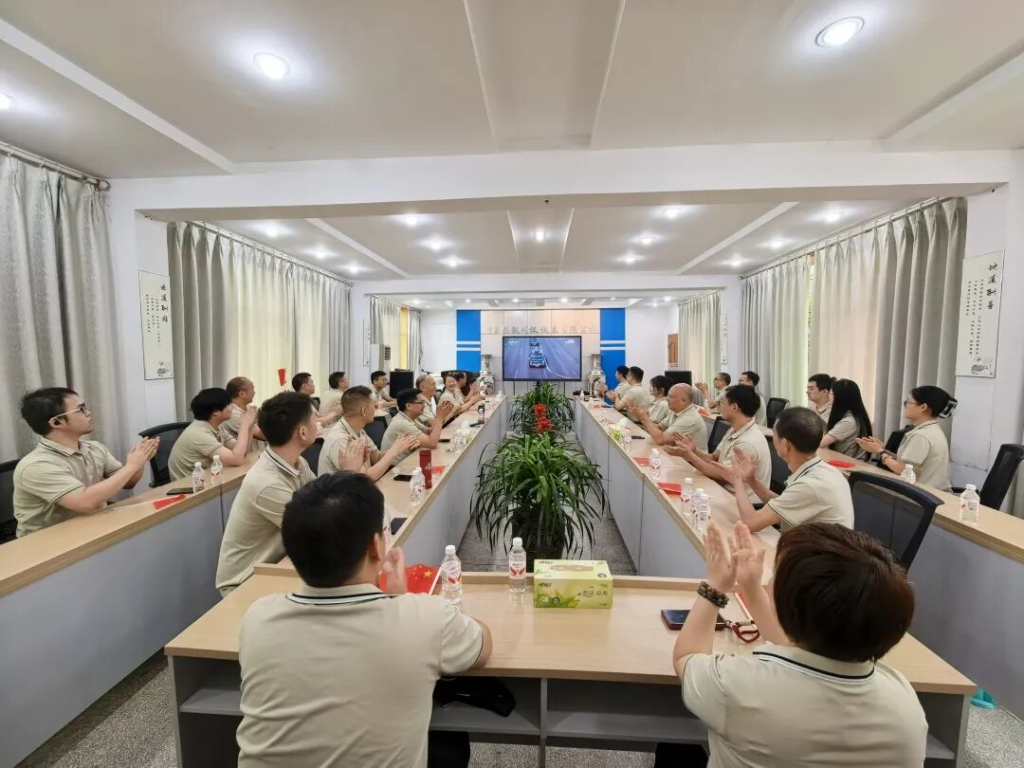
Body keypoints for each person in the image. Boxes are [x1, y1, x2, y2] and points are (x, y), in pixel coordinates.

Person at [236, 473, 493, 768]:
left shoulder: (257, 619)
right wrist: (401, 601)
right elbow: (483, 644)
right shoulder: (426, 618)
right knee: (448, 741)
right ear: (376, 546)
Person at [671, 521, 926, 767]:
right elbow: (804, 652)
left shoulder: (734, 686)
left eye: (776, 575)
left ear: (790, 605)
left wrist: (716, 586)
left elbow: (687, 657)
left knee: (676, 748)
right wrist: (752, 588)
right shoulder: (905, 704)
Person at [216, 392, 351, 595]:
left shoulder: (297, 462)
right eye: (314, 418)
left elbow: (323, 501)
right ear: (303, 432)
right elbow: (319, 528)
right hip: (245, 582)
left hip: (280, 564)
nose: (318, 423)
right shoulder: (267, 483)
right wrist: (349, 474)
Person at [13, 388, 158, 537]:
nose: (88, 413)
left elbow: (128, 483)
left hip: (92, 527)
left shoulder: (94, 448)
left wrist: (141, 460)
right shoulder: (36, 465)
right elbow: (85, 503)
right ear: (56, 422)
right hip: (47, 542)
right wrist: (131, 466)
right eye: (81, 409)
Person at [726, 407, 854, 533]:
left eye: (774, 434)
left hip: (813, 547)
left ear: (785, 444)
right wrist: (750, 480)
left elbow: (751, 522)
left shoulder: (809, 485)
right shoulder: (825, 471)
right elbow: (783, 503)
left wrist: (737, 480)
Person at [665, 385, 771, 503]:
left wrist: (690, 455)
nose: (719, 407)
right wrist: (694, 450)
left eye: (722, 403)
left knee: (683, 499)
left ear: (734, 407)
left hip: (739, 502)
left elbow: (721, 475)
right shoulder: (734, 429)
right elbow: (713, 458)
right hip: (724, 491)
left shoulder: (747, 442)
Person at [857, 385, 956, 490]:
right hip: (931, 490)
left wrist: (880, 452)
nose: (906, 406)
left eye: (908, 402)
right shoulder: (932, 429)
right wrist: (882, 449)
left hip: (924, 493)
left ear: (923, 407)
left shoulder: (921, 435)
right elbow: (909, 462)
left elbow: (903, 469)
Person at [319, 386, 418, 480]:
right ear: (364, 411)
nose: (376, 408)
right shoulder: (340, 439)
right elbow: (364, 477)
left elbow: (377, 458)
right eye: (374, 406)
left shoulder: (358, 429)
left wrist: (400, 447)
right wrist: (393, 452)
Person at [168, 388, 255, 481]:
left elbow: (242, 452)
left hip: (209, 478)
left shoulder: (217, 427)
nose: (233, 408)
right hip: (191, 485)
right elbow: (236, 459)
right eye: (229, 404)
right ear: (216, 411)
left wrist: (250, 427)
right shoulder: (199, 434)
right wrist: (244, 425)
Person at [381, 389, 455, 463]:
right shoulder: (402, 423)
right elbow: (432, 443)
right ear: (408, 406)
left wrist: (441, 415)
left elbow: (428, 432)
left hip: (408, 460)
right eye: (421, 402)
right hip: (396, 467)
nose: (424, 405)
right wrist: (440, 418)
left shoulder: (409, 418)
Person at [629, 383, 708, 450]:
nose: (667, 399)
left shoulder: (689, 419)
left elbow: (661, 439)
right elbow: (658, 428)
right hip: (678, 455)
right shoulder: (675, 411)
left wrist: (645, 419)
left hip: (689, 462)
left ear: (683, 401)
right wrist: (641, 416)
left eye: (671, 397)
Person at [821, 378, 872, 459]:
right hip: (842, 461)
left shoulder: (849, 422)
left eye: (831, 393)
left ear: (839, 398)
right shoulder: (851, 415)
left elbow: (821, 443)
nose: (828, 396)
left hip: (849, 464)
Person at [221, 377, 267, 449]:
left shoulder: (249, 408)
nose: (254, 392)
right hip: (246, 455)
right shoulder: (232, 414)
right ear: (242, 393)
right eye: (252, 389)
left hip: (258, 453)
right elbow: (263, 435)